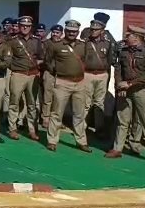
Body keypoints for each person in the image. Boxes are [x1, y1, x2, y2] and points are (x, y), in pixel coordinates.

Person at [105, 27, 145, 159]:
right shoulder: (124, 51)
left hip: (142, 90)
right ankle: (117, 149)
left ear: (137, 38)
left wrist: (131, 83)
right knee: (122, 120)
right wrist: (120, 86)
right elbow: (118, 69)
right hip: (125, 89)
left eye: (129, 36)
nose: (126, 38)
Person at [44, 20, 90, 153]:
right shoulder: (57, 45)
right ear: (65, 31)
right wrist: (57, 71)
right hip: (62, 82)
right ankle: (52, 141)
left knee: (79, 114)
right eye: (69, 31)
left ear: (78, 32)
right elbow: (48, 61)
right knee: (57, 113)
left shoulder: (83, 46)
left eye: (74, 31)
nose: (71, 33)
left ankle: (81, 141)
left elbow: (86, 59)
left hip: (80, 83)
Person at [7, 16, 42, 141]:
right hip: (18, 74)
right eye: (23, 26)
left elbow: (41, 56)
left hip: (32, 75)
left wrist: (37, 66)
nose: (25, 28)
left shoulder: (37, 41)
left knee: (32, 104)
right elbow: (8, 58)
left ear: (31, 27)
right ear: (19, 26)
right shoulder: (12, 41)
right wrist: (15, 67)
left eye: (27, 26)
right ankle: (12, 128)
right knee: (14, 102)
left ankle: (32, 130)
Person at [81, 15, 114, 138]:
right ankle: (82, 128)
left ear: (102, 30)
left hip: (101, 75)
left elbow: (110, 60)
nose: (93, 31)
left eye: (96, 29)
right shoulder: (85, 42)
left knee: (99, 103)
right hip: (88, 74)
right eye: (92, 29)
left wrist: (106, 75)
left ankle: (99, 128)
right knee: (86, 102)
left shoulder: (107, 43)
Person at [40, 24, 64, 127]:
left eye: (57, 33)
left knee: (59, 98)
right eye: (53, 32)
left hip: (61, 74)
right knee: (47, 97)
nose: (55, 34)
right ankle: (45, 118)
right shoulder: (46, 43)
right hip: (49, 72)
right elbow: (43, 57)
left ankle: (57, 119)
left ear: (61, 34)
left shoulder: (64, 44)